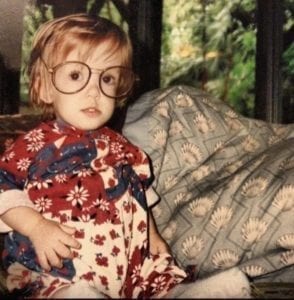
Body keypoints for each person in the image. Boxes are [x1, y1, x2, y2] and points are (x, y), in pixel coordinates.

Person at [0, 13, 187, 298]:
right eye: (76, 75)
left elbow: (138, 196)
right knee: (58, 291)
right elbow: (3, 188)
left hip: (125, 263)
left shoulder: (122, 148)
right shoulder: (35, 144)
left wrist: (152, 235)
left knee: (160, 276)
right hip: (60, 266)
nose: (94, 91)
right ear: (44, 87)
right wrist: (36, 227)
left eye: (108, 78)